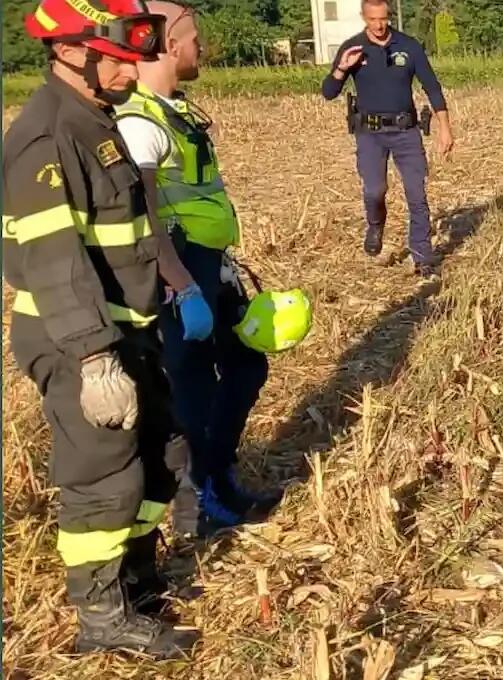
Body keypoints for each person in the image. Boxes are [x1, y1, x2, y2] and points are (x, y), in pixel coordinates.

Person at [2, 0, 202, 658]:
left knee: (160, 458)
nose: (134, 65)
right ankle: (100, 614)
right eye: (118, 55)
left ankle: (140, 581)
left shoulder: (97, 120)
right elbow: (54, 261)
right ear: (70, 53)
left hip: (128, 328)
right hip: (78, 341)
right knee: (104, 478)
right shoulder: (46, 136)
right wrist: (94, 360)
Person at [113, 1, 277, 535]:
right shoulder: (140, 123)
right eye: (193, 37)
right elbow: (143, 215)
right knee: (191, 387)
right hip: (179, 273)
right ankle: (201, 499)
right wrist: (182, 288)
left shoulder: (173, 111)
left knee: (246, 366)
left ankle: (219, 474)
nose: (200, 46)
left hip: (209, 264)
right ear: (166, 45)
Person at [321, 0, 455, 275]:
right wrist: (342, 69)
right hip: (370, 134)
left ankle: (422, 256)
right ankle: (375, 224)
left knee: (417, 194)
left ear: (389, 16)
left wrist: (445, 127)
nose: (379, 25)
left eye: (383, 18)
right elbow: (328, 92)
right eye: (373, 19)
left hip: (406, 131)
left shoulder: (409, 46)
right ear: (364, 17)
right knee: (374, 191)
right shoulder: (353, 48)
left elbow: (432, 87)